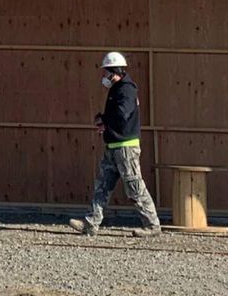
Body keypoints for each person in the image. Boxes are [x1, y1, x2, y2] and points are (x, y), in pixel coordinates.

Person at [69, 51, 161, 236]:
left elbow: (122, 115)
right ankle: (91, 224)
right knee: (102, 186)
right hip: (114, 146)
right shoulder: (117, 89)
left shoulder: (126, 89)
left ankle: (152, 225)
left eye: (106, 72)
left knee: (135, 187)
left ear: (115, 71)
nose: (104, 77)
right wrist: (105, 122)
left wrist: (106, 120)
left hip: (125, 147)